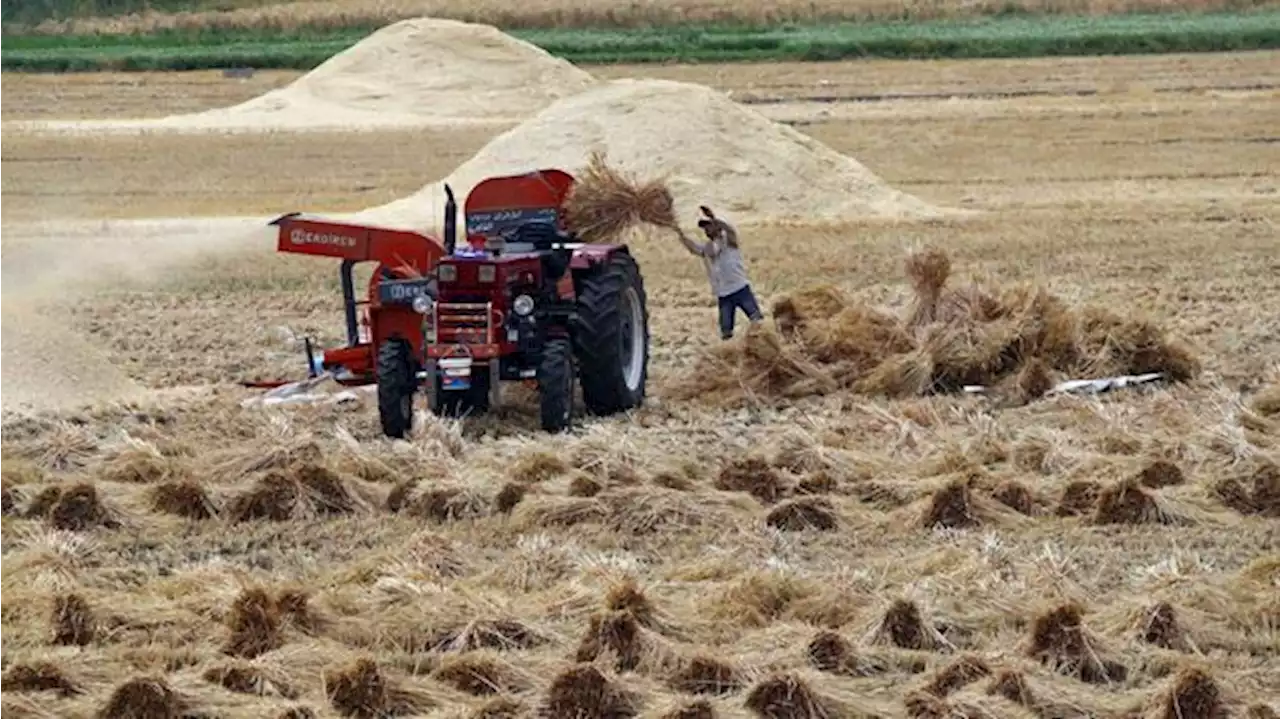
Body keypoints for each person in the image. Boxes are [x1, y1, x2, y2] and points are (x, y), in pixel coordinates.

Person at [676, 205, 764, 340]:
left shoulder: (729, 241)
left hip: (740, 289)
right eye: (705, 228)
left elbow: (729, 230)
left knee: (758, 322)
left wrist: (714, 218)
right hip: (724, 295)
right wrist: (679, 233)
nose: (706, 230)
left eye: (709, 226)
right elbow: (693, 248)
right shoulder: (707, 248)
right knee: (726, 332)